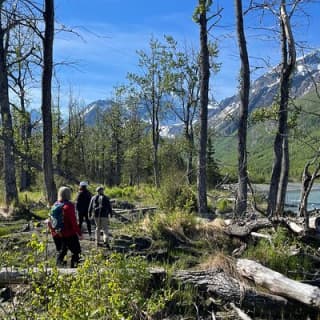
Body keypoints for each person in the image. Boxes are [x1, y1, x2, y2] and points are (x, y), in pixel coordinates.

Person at [49, 186, 82, 268]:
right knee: (76, 251)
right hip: (68, 233)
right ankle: (74, 270)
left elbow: (51, 220)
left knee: (61, 252)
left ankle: (59, 269)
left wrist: (53, 231)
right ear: (69, 194)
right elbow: (73, 221)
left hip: (56, 233)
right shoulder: (69, 205)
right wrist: (79, 233)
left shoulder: (55, 204)